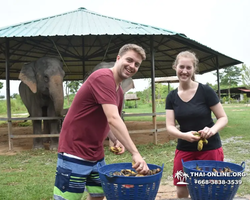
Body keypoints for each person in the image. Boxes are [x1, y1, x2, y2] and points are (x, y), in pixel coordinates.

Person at [53, 44, 149, 200]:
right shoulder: (103, 77)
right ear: (118, 59)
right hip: (74, 151)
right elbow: (113, 119)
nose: (132, 66)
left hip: (96, 154)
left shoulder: (119, 92)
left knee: (98, 195)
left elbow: (107, 120)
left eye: (136, 64)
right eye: (129, 60)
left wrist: (115, 139)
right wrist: (135, 153)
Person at [165, 51, 228, 198]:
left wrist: (211, 131)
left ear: (194, 69)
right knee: (181, 191)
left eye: (189, 67)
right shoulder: (172, 96)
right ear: (175, 67)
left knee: (208, 190)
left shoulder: (205, 91)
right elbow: (170, 125)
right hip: (185, 149)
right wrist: (183, 136)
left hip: (210, 148)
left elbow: (223, 117)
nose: (184, 71)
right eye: (181, 67)